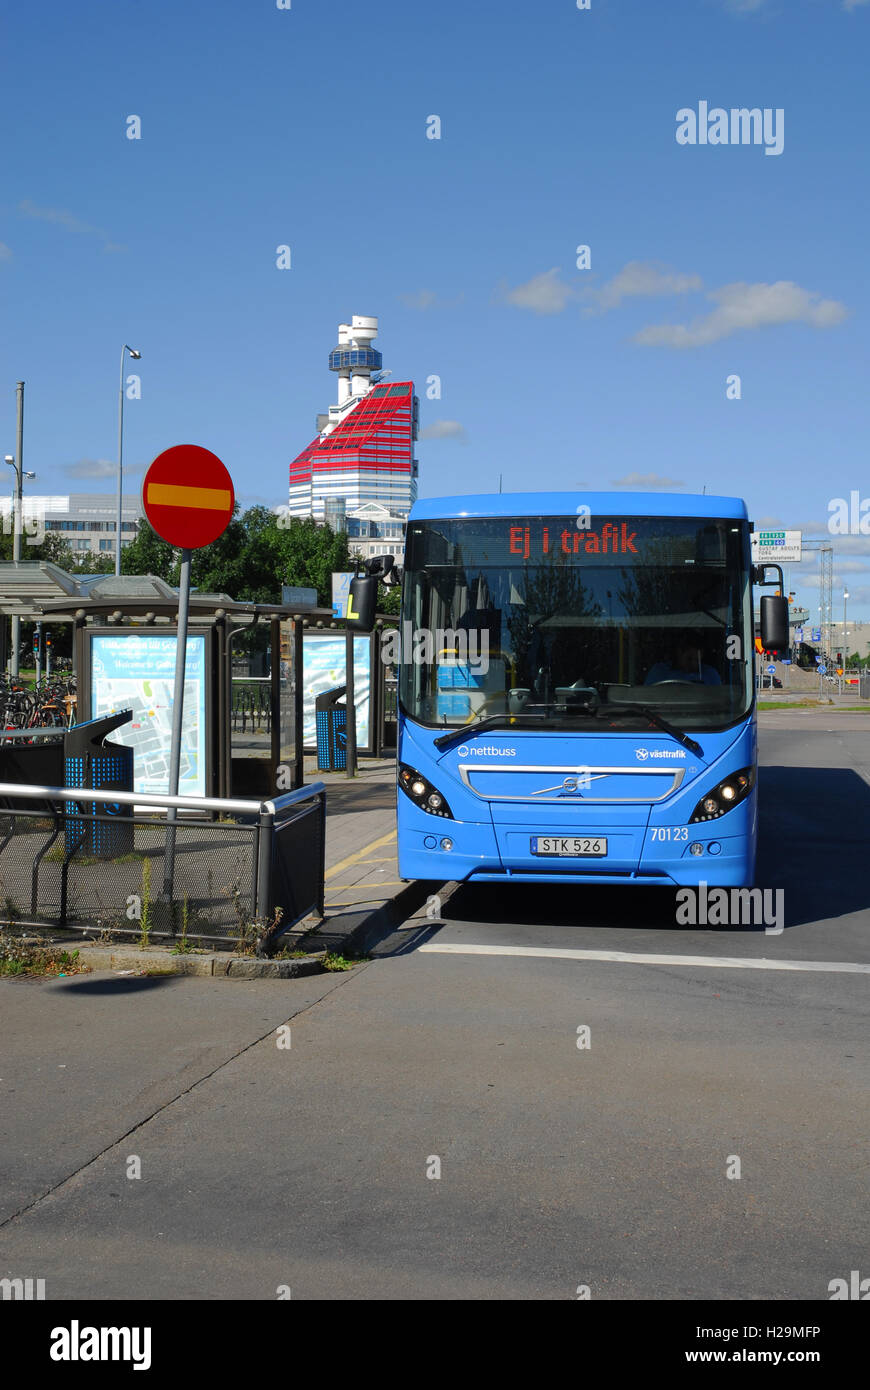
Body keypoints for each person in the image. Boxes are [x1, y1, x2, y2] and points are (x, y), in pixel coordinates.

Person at [645, 639, 721, 686]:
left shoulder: (710, 674)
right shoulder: (659, 671)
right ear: (679, 653)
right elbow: (647, 697)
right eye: (689, 659)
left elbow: (719, 701)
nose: (694, 664)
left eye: (697, 660)